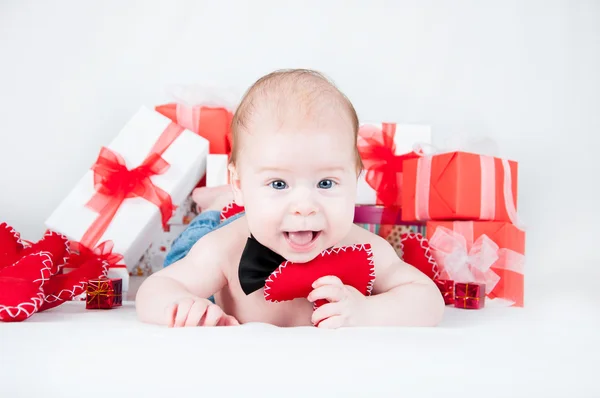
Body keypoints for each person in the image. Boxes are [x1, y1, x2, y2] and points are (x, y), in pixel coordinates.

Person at [135, 69, 445, 328]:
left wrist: (368, 312)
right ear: (240, 184)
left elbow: (428, 299)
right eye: (279, 183)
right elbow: (154, 289)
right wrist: (182, 306)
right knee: (195, 238)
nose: (304, 206)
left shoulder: (366, 249)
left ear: (355, 181)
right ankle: (219, 205)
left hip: (256, 214)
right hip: (223, 226)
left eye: (326, 182)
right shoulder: (223, 248)